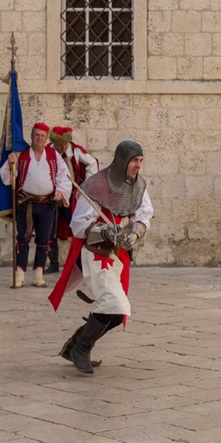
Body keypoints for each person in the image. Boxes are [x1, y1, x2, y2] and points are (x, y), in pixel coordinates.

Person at [49, 141, 153, 374]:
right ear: (122, 161)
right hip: (95, 253)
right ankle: (81, 348)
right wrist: (105, 231)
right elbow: (78, 225)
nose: (138, 165)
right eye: (135, 161)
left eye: (140, 160)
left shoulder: (138, 186)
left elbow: (144, 216)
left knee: (117, 312)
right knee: (114, 303)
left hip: (117, 254)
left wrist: (134, 232)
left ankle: (74, 346)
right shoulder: (96, 185)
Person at [0, 122, 71, 288]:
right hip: (26, 204)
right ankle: (19, 275)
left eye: (42, 136)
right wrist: (10, 163)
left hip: (47, 204)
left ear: (46, 138)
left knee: (44, 240)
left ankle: (39, 275)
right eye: (36, 135)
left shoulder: (53, 154)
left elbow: (64, 175)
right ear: (31, 136)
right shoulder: (21, 154)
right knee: (23, 239)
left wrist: (60, 191)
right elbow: (7, 178)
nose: (39, 138)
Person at [47, 126, 99, 274]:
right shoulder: (48, 152)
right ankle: (53, 263)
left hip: (72, 197)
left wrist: (86, 186)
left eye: (65, 144)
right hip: (54, 197)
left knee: (78, 228)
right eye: (60, 145)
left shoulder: (75, 151)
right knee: (51, 230)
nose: (63, 147)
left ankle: (80, 264)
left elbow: (92, 162)